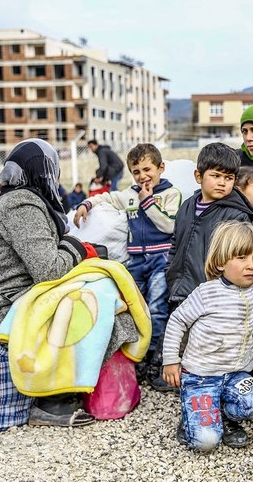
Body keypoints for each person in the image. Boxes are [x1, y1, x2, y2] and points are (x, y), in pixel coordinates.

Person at [0, 138, 105, 427]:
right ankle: (51, 400)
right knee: (82, 303)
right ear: (42, 171)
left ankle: (72, 385)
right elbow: (49, 269)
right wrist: (76, 246)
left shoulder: (22, 199)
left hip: (11, 298)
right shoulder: (22, 205)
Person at [162, 221, 253, 450]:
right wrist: (171, 360)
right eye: (241, 258)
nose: (251, 265)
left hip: (235, 374)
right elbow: (178, 321)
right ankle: (193, 417)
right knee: (205, 442)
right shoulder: (206, 292)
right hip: (201, 376)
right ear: (221, 262)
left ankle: (223, 414)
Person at [152, 143, 253, 391]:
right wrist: (171, 270)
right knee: (177, 330)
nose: (222, 183)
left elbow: (235, 255)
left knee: (202, 340)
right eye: (216, 176)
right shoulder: (188, 205)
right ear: (199, 176)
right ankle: (166, 373)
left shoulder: (235, 214)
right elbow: (177, 240)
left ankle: (197, 381)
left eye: (228, 178)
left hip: (210, 290)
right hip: (181, 283)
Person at [74, 143, 181, 356]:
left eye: (147, 169)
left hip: (161, 258)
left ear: (161, 168)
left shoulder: (171, 194)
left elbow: (169, 225)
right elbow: (106, 197)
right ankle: (134, 352)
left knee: (156, 308)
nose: (142, 176)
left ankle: (153, 355)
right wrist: (85, 205)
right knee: (132, 305)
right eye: (136, 172)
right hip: (136, 260)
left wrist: (148, 202)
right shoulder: (129, 195)